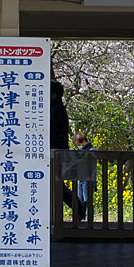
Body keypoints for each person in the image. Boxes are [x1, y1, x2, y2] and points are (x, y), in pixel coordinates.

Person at [51, 81, 87, 218]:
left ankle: (78, 207)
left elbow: (52, 132)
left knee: (57, 185)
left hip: (57, 152)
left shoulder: (56, 109)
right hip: (59, 151)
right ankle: (78, 207)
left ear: (53, 95)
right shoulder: (58, 108)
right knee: (56, 185)